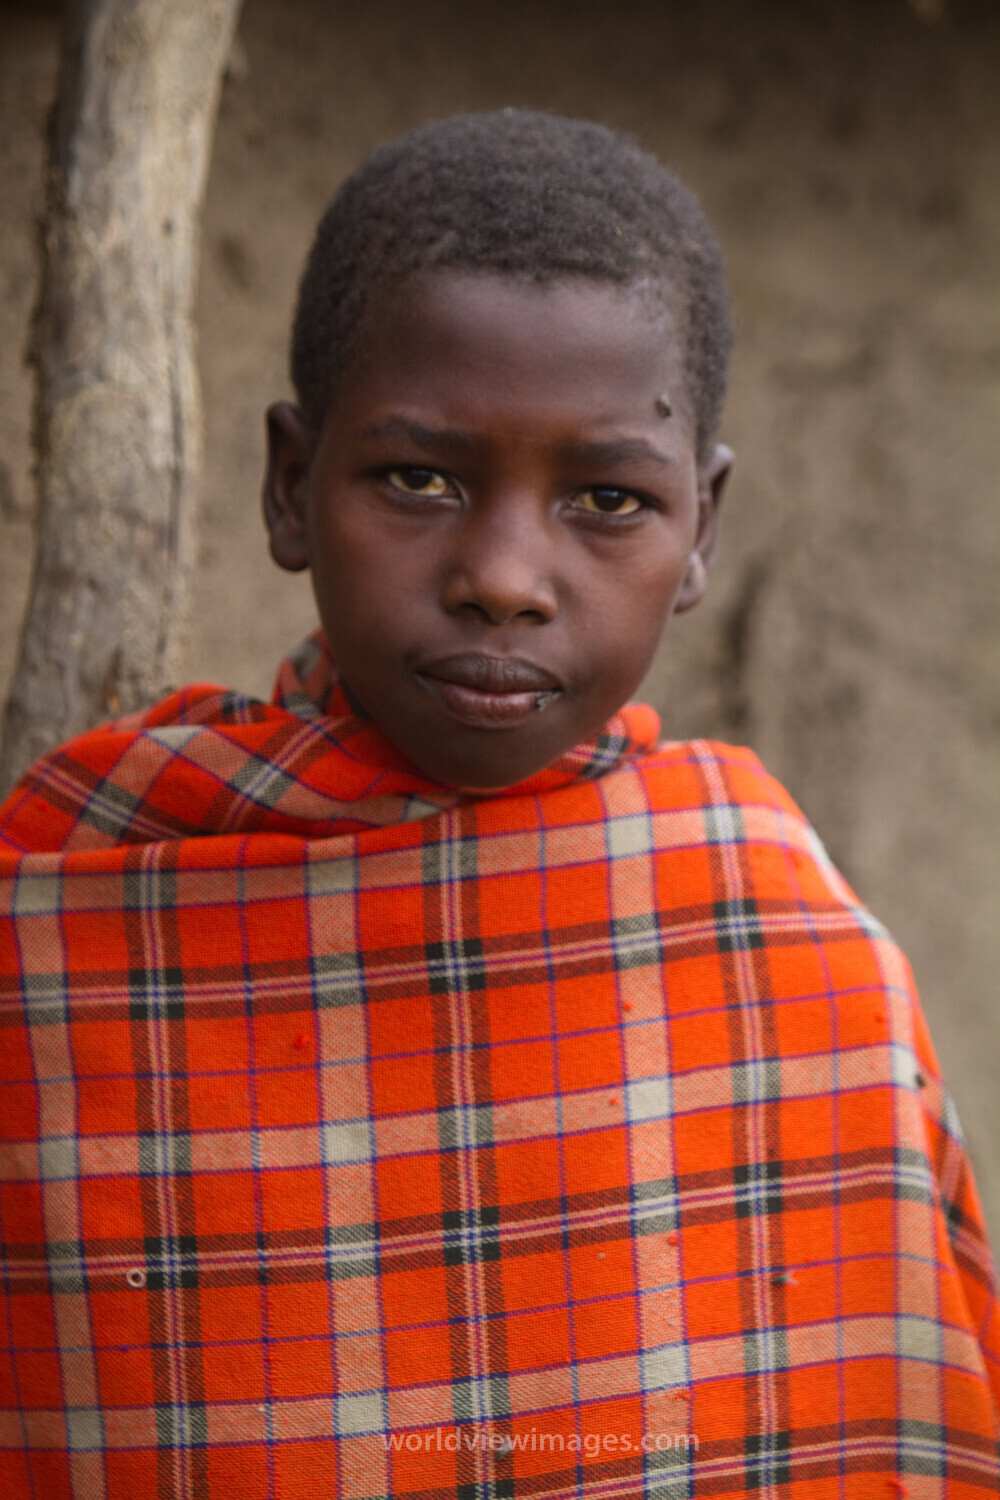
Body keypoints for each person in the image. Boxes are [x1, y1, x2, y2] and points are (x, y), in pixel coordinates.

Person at [0, 109, 997, 1500]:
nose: (506, 576)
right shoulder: (68, 931)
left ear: (701, 533)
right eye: (419, 480)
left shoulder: (793, 961)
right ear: (292, 487)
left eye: (604, 497)